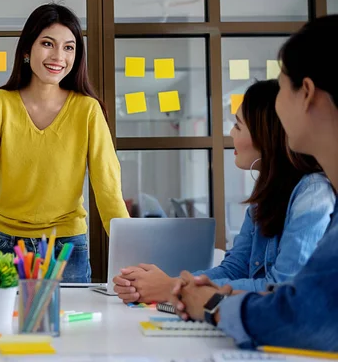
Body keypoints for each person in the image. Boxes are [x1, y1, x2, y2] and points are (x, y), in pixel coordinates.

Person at [169, 14, 338, 351]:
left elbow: (297, 311)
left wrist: (212, 302)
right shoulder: (270, 194)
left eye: (281, 86)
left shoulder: (315, 193)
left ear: (305, 93)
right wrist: (203, 289)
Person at [0, 3, 129, 282]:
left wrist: (135, 259)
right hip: (7, 246)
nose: (58, 56)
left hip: (67, 248)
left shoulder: (87, 110)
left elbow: (109, 192)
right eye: (47, 44)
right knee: (7, 326)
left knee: (70, 326)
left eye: (69, 47)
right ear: (27, 50)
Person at [113, 79, 335, 304]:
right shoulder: (265, 197)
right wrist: (162, 285)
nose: (231, 133)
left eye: (238, 125)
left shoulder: (312, 193)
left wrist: (173, 287)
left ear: (266, 135)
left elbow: (280, 287)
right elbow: (236, 268)